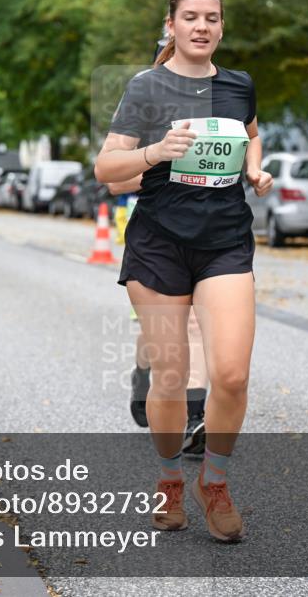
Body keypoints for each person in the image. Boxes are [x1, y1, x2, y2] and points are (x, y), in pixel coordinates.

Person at [94, 0, 273, 542]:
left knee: (231, 374)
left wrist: (253, 169)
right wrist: (155, 152)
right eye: (191, 17)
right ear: (171, 25)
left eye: (212, 18)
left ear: (222, 26)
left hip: (224, 240)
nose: (202, 27)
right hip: (160, 242)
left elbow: (249, 133)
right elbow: (106, 168)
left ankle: (213, 482)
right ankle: (171, 480)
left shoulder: (241, 85)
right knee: (169, 377)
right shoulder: (146, 88)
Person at [110, 175, 209, 456]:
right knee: (159, 327)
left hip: (205, 226)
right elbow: (115, 178)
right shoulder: (143, 130)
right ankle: (142, 374)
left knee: (193, 321)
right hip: (153, 230)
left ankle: (194, 416)